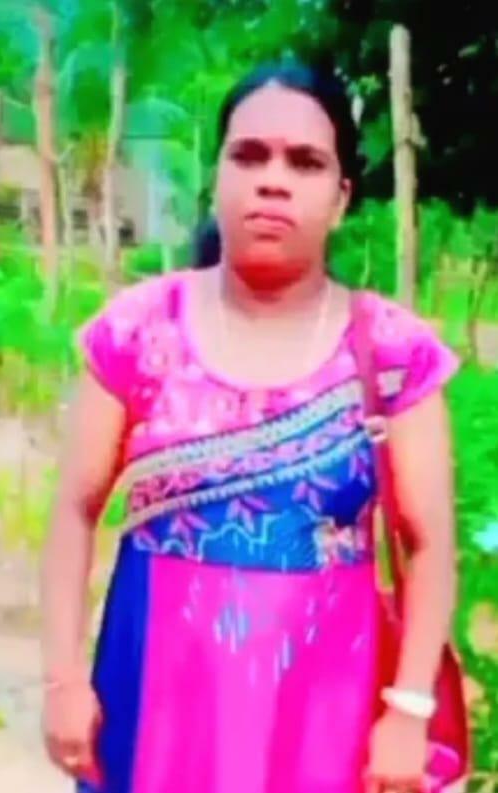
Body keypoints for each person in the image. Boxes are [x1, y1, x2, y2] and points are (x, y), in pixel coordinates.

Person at [41, 60, 463, 793]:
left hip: (326, 704)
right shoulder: (140, 330)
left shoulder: (392, 351)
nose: (273, 181)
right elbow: (74, 511)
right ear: (217, 178)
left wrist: (408, 711)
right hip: (156, 693)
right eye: (249, 155)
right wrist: (62, 680)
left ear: (340, 198)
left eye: (304, 162)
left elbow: (428, 545)